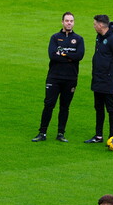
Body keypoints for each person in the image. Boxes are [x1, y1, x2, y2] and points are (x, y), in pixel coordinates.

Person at [33, 12, 84, 143]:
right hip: (54, 78)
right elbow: (52, 55)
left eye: (71, 21)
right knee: (49, 105)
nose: (69, 23)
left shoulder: (79, 39)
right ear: (62, 22)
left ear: (74, 23)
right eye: (67, 20)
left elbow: (79, 56)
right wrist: (69, 57)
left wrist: (63, 54)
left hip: (70, 78)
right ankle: (42, 132)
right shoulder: (55, 38)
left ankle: (61, 133)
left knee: (64, 106)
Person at [84, 14, 113, 144]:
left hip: (109, 80)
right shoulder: (99, 38)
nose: (94, 26)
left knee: (111, 108)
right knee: (98, 108)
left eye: (95, 24)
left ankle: (112, 136)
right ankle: (98, 135)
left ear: (101, 25)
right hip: (98, 78)